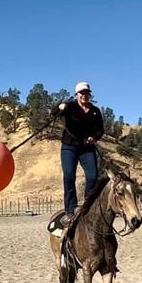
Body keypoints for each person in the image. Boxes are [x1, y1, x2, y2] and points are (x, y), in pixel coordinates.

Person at [50, 81, 105, 226]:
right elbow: (53, 113)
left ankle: (88, 205)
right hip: (69, 146)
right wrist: (59, 107)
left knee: (93, 176)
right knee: (69, 176)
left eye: (86, 93)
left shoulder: (95, 111)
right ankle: (70, 209)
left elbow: (100, 129)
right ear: (76, 95)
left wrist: (95, 137)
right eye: (81, 93)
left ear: (89, 95)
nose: (84, 96)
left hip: (87, 148)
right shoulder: (70, 106)